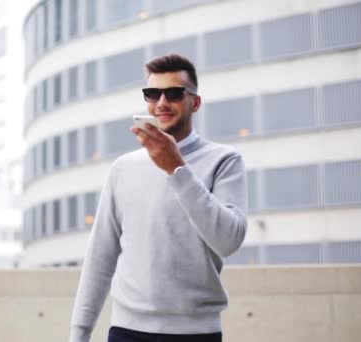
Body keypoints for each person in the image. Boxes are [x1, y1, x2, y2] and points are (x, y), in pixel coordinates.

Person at [69, 54, 247, 342]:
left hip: (196, 334)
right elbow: (100, 256)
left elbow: (228, 242)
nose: (162, 102)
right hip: (127, 332)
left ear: (195, 103)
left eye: (174, 93)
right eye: (153, 93)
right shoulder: (123, 168)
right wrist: (79, 334)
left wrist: (176, 168)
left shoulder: (224, 160)